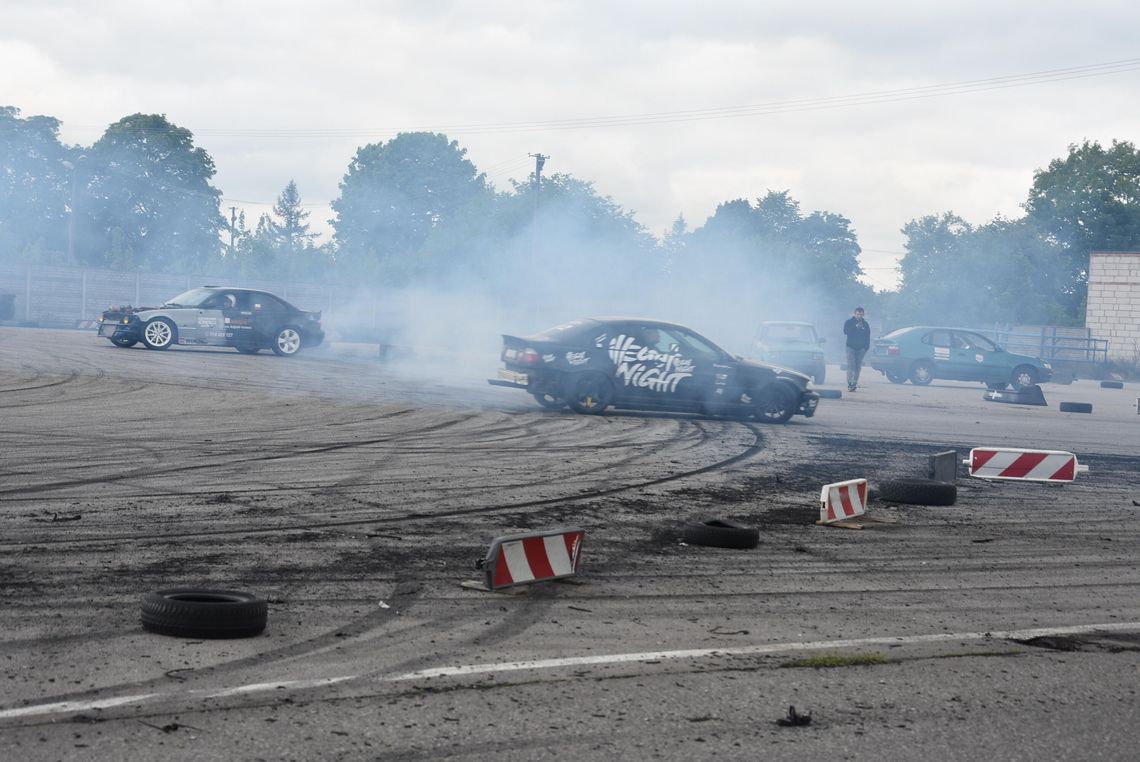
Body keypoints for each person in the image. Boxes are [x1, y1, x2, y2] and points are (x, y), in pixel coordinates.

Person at [843, 306, 871, 391]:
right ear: (854, 314)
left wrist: (866, 348)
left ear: (863, 315)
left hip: (861, 349)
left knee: (858, 367)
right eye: (858, 314)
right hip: (850, 348)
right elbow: (846, 332)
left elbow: (867, 337)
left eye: (861, 314)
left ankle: (854, 384)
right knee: (851, 366)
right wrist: (855, 327)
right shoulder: (849, 322)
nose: (859, 316)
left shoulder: (865, 324)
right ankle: (850, 384)